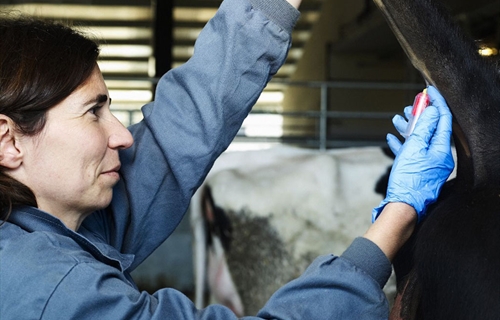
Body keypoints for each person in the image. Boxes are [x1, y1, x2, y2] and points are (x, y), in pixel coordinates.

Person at [0, 0, 454, 317]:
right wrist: (400, 214)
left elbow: (180, 131)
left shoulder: (37, 225)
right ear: (9, 141)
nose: (123, 135)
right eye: (94, 112)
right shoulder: (49, 292)